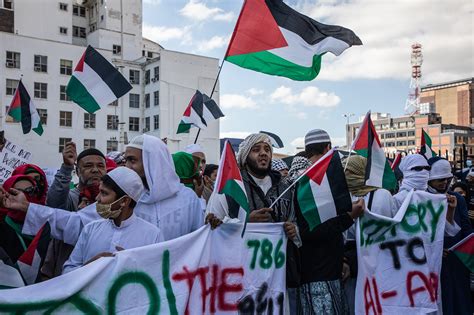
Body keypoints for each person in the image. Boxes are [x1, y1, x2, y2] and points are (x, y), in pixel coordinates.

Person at [8, 134, 203, 245]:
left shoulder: (188, 200)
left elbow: (200, 244)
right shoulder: (122, 197)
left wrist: (218, 228)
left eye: (133, 160)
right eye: (125, 160)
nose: (127, 166)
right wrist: (29, 208)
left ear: (154, 163)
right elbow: (75, 223)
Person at [205, 133, 300, 313]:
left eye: (267, 150)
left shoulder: (285, 187)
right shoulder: (231, 186)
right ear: (245, 156)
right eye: (256, 150)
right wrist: (246, 221)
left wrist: (293, 230)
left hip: (275, 277)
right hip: (239, 276)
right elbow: (213, 226)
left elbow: (295, 224)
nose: (263, 153)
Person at [293, 129, 364, 315]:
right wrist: (349, 217)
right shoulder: (307, 182)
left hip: (331, 269)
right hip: (317, 275)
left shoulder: (308, 179)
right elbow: (311, 231)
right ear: (328, 148)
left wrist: (342, 259)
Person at [62, 167, 161, 274]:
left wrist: (132, 267)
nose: (97, 198)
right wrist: (90, 266)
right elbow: (67, 271)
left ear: (124, 201)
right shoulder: (90, 229)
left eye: (104, 193)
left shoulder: (153, 235)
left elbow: (159, 278)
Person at [342, 155, 398, 314]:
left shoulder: (381, 195)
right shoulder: (383, 194)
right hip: (371, 263)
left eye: (348, 172)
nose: (345, 177)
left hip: (362, 262)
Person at [40, 145, 107, 279]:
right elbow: (54, 204)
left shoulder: (113, 199)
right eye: (88, 166)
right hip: (67, 270)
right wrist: (66, 167)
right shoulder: (71, 197)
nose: (95, 170)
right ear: (77, 171)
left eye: (100, 166)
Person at [426, 157, 473, 315]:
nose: (444, 184)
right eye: (439, 180)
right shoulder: (422, 199)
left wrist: (466, 247)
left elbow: (466, 228)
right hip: (434, 264)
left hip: (457, 261)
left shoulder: (457, 199)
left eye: (447, 179)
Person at [0, 175, 50, 276]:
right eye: (15, 192)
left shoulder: (48, 227)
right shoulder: (2, 226)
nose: (23, 196)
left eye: (31, 191)